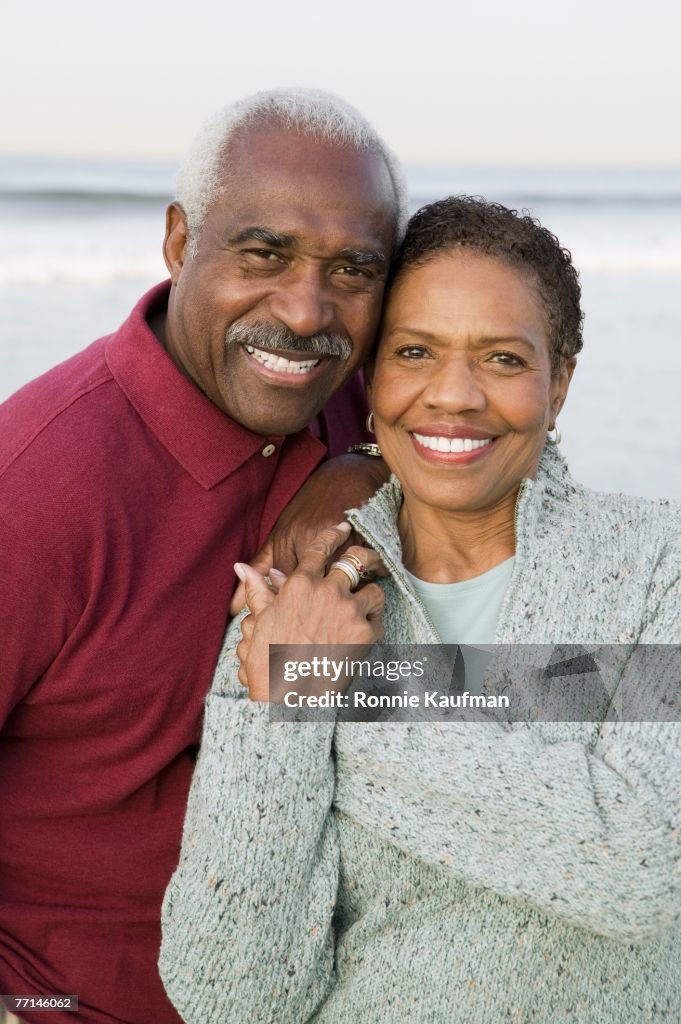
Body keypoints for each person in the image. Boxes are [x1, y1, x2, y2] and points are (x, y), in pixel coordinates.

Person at [160, 197, 681, 1023]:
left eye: (504, 359)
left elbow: (644, 867)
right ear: (372, 380)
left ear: (561, 382)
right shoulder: (300, 595)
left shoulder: (657, 564)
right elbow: (230, 993)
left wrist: (315, 703)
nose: (453, 395)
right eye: (414, 351)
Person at [0, 88, 408, 1024]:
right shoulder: (32, 490)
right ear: (182, 243)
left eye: (352, 269)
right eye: (263, 253)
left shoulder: (358, 402)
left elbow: (504, 391)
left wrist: (361, 460)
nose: (305, 312)